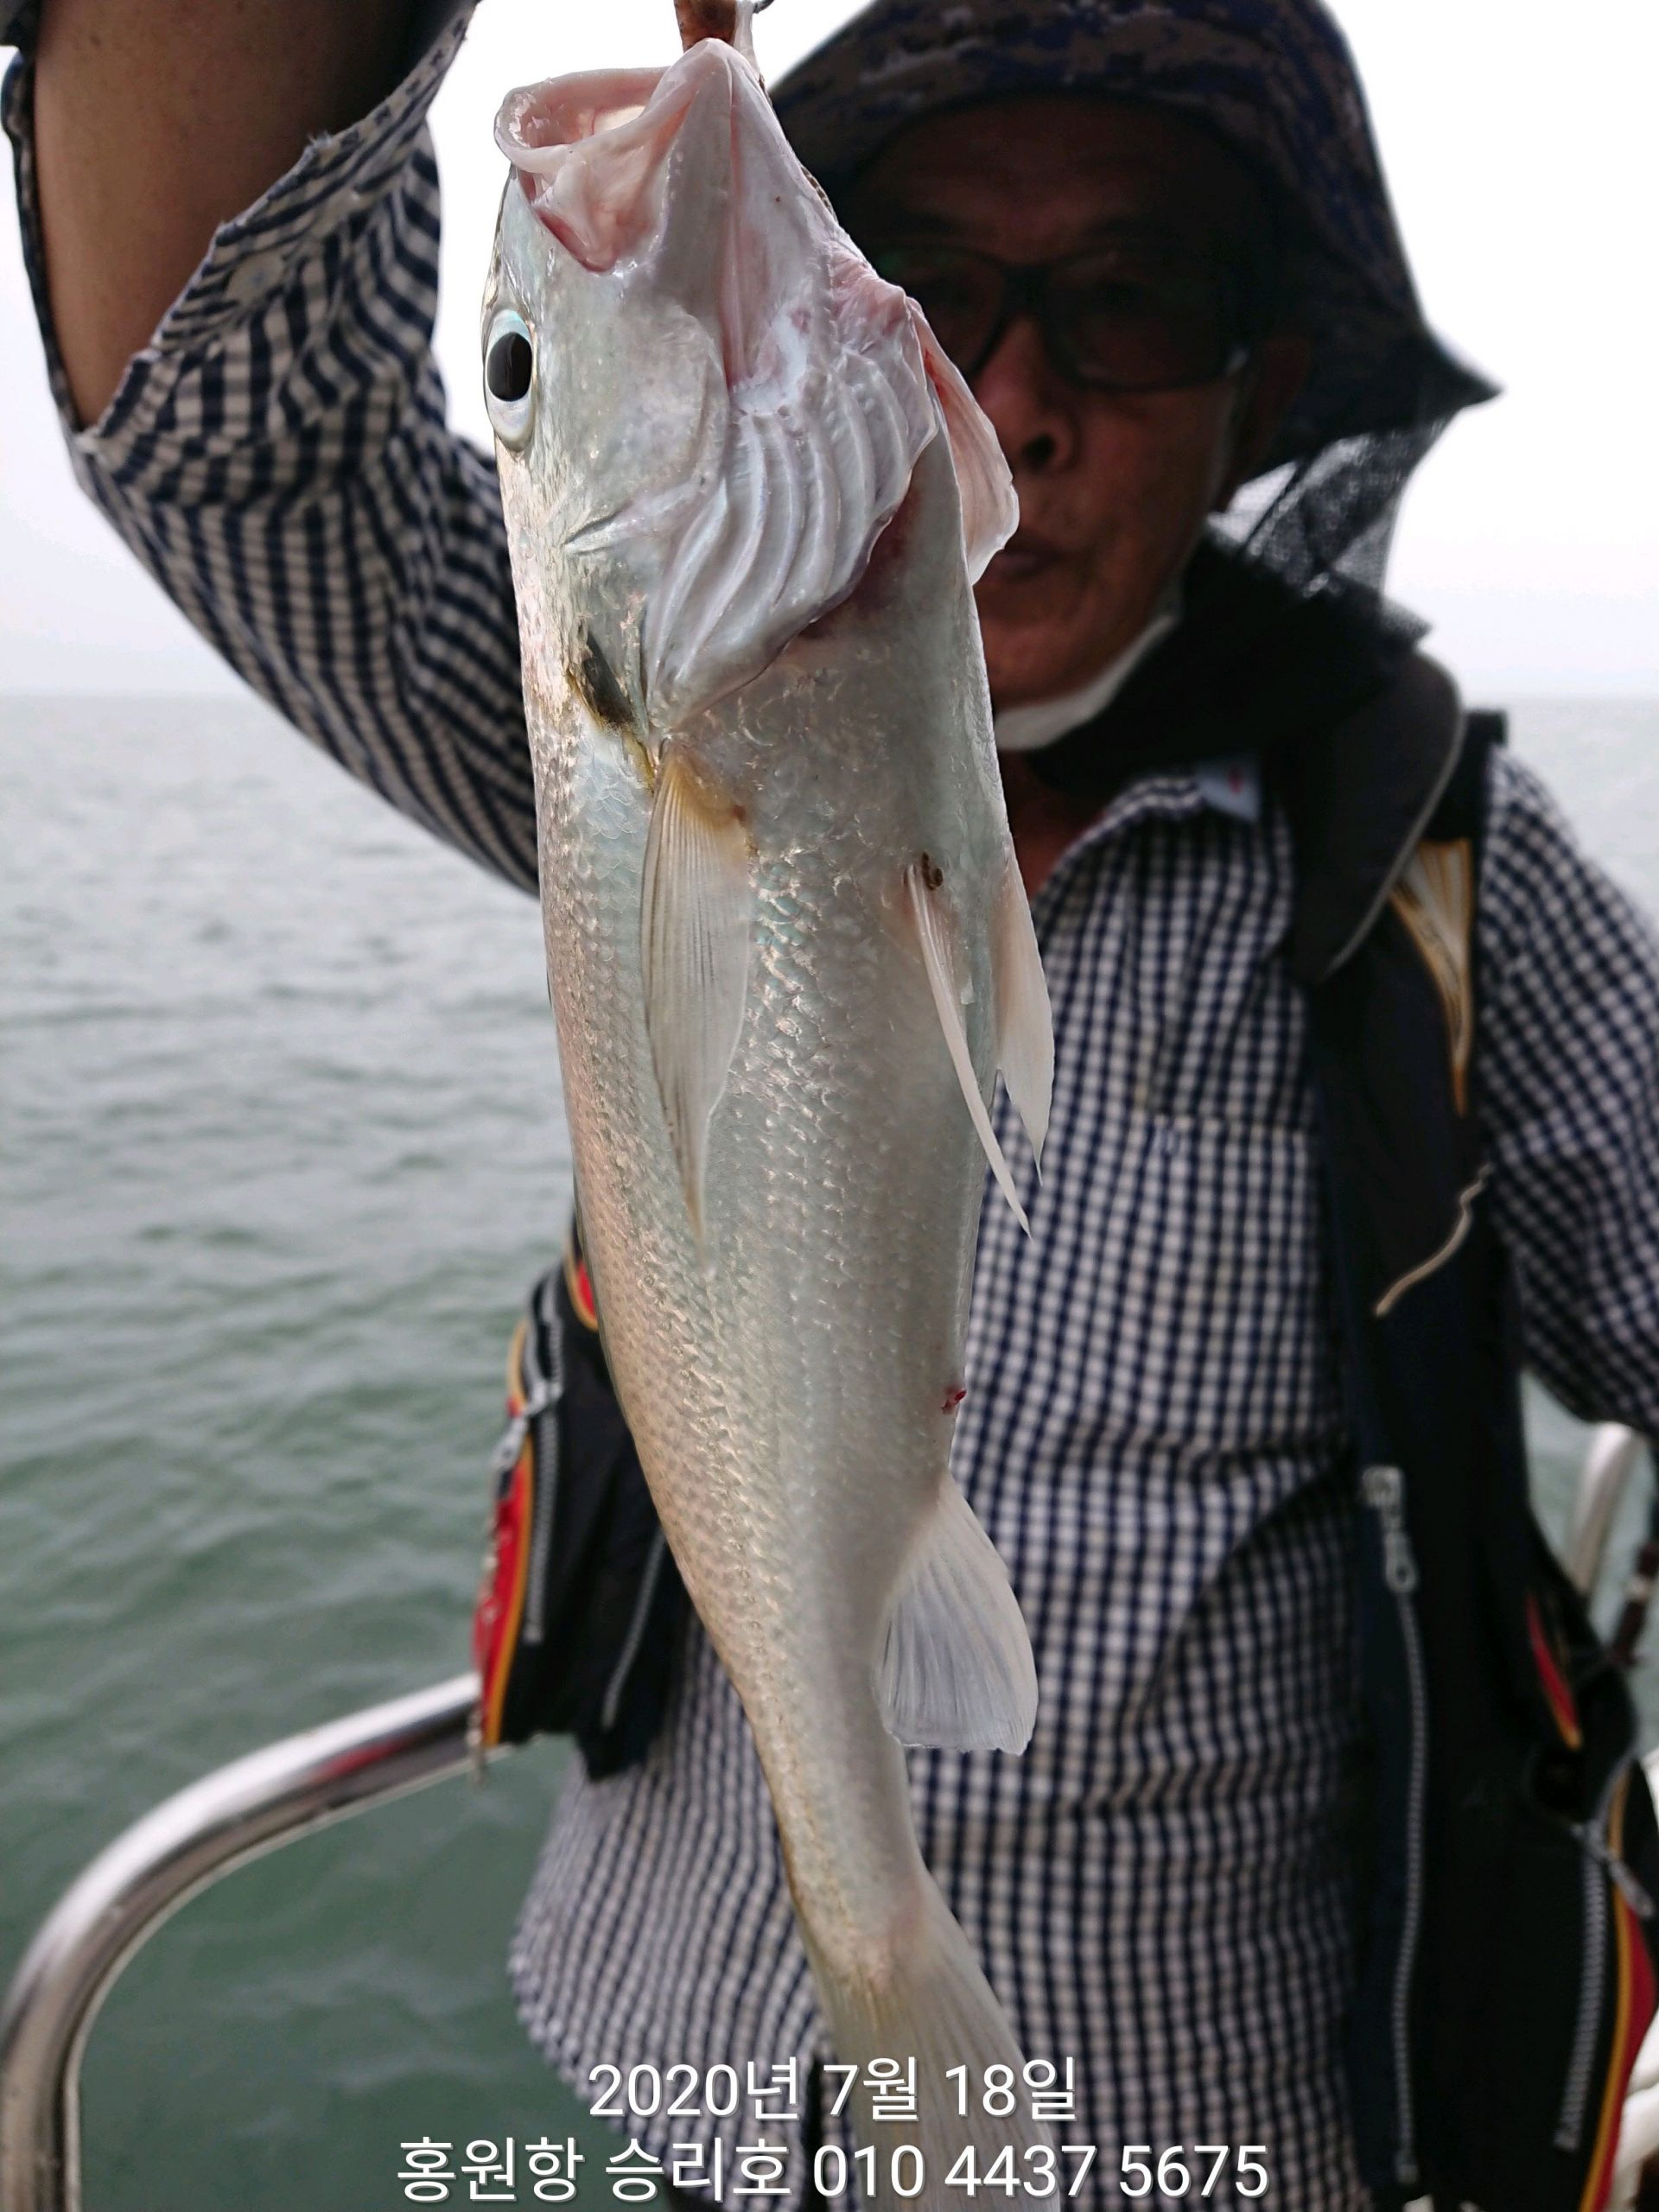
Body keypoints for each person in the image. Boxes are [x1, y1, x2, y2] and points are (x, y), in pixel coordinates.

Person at [10, 1, 1659, 2206]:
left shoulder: (1441, 875)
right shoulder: (599, 708)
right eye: (932, 283)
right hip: (676, 2101)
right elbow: (212, 421)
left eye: (1133, 298)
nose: (1023, 394)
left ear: (1261, 389)